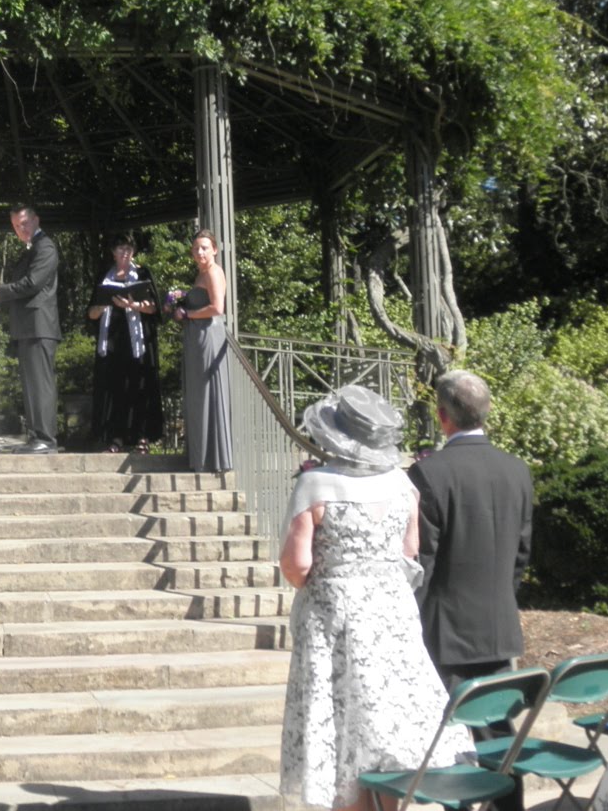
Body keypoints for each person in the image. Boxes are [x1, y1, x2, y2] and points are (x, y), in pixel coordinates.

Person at [279, 385, 472, 811]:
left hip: (334, 616)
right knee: (385, 716)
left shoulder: (316, 484)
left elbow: (297, 565)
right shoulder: (402, 482)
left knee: (340, 718)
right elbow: (410, 550)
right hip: (392, 613)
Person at [411, 369, 534, 811]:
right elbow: (522, 553)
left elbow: (421, 563)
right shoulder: (517, 469)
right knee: (498, 735)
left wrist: (411, 622)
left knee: (453, 738)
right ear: (487, 411)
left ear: (442, 416)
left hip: (445, 632)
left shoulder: (428, 473)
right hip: (498, 624)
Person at [0, 203, 60, 454]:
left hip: (39, 325)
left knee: (40, 383)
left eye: (24, 223)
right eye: (16, 226)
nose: (21, 229)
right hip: (29, 326)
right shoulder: (34, 248)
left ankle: (45, 438)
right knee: (31, 384)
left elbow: (33, 283)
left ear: (36, 220)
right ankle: (37, 436)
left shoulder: (45, 247)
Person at [86, 233, 162, 453]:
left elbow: (154, 308)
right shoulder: (105, 276)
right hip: (112, 341)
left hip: (137, 341)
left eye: (129, 249)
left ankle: (142, 437)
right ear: (113, 252)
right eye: (120, 249)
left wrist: (133, 305)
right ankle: (116, 437)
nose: (125, 253)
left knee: (139, 386)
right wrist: (102, 305)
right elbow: (90, 314)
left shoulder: (143, 273)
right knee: (115, 388)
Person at [173, 229, 232, 472]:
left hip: (209, 336)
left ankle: (213, 458)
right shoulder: (201, 274)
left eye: (205, 248)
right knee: (198, 396)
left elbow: (217, 308)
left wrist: (188, 313)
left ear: (214, 250)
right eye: (196, 248)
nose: (200, 252)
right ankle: (200, 457)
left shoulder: (213, 272)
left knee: (207, 393)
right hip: (197, 338)